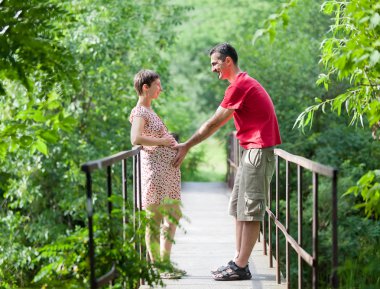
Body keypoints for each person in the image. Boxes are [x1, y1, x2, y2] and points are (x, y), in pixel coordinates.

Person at [173, 43, 281, 281]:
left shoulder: (240, 85)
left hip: (258, 151)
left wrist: (186, 145)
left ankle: (241, 266)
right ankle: (237, 260)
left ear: (228, 61)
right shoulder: (241, 83)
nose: (213, 69)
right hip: (250, 151)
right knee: (238, 209)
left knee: (250, 210)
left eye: (215, 63)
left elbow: (213, 123)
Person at [129, 69, 184, 279]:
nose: (161, 88)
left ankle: (165, 263)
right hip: (155, 171)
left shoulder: (150, 110)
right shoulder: (141, 111)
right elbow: (135, 138)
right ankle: (159, 267)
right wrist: (163, 142)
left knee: (173, 215)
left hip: (167, 172)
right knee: (155, 218)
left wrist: (176, 147)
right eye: (158, 85)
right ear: (146, 87)